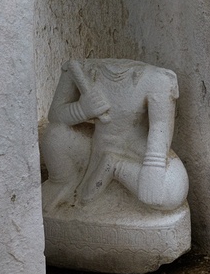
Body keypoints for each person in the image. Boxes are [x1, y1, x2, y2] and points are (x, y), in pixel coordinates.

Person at [39, 59, 188, 212]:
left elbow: (160, 125)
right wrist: (82, 109)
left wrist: (153, 168)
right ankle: (62, 181)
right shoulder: (79, 70)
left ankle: (115, 167)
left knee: (174, 190)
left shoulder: (157, 79)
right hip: (94, 145)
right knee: (54, 134)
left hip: (133, 149)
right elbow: (55, 116)